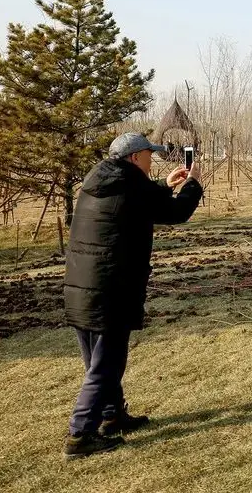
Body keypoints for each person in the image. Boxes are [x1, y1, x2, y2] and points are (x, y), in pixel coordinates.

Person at [63, 132, 203, 459]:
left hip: (81, 287)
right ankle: (79, 436)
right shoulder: (131, 184)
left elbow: (136, 202)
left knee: (99, 361)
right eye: (148, 155)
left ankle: (112, 417)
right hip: (110, 290)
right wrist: (192, 184)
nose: (151, 160)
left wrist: (165, 185)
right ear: (133, 158)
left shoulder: (98, 180)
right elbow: (176, 213)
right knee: (106, 365)